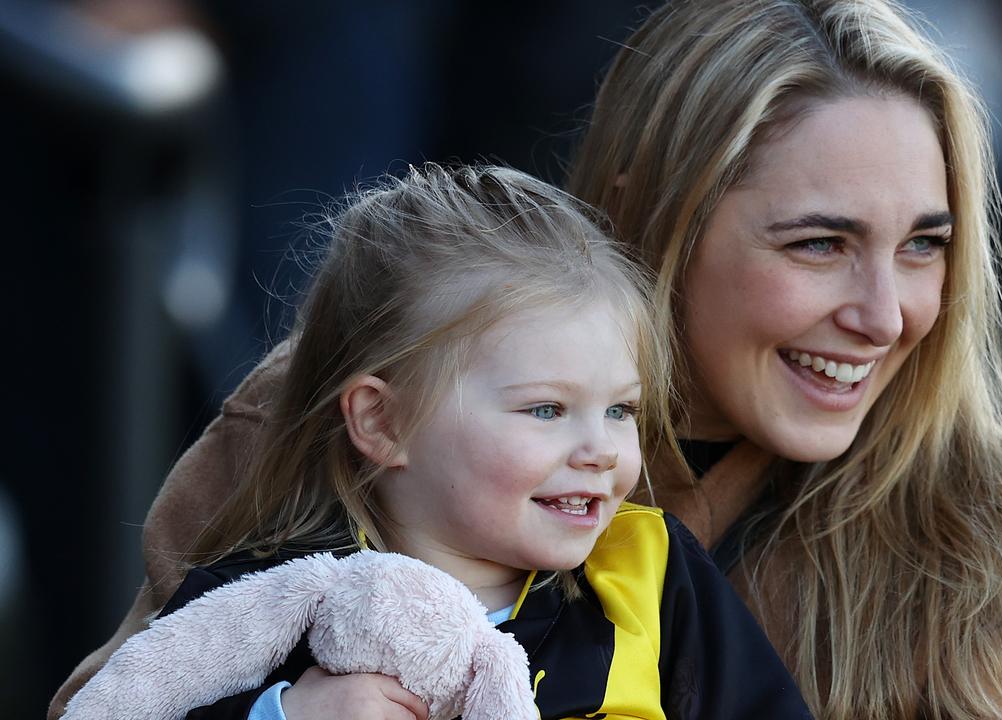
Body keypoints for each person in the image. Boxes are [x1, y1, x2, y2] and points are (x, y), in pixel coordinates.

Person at [52, 1, 1002, 718]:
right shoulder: (374, 392)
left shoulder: (991, 548)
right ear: (652, 217)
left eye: (924, 246)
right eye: (819, 244)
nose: (886, 314)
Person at [61, 163, 814, 719]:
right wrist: (282, 715)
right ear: (383, 423)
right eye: (547, 410)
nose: (602, 449)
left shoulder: (652, 574)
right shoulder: (274, 592)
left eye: (621, 411)